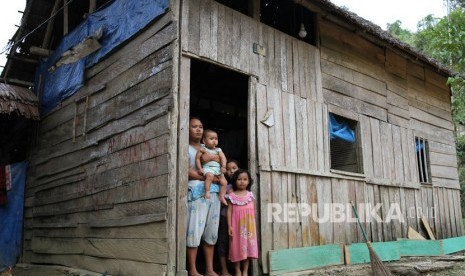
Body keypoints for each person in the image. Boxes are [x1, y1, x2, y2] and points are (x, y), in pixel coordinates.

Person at [187, 117, 221, 276]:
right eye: (194, 127)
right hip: (196, 193)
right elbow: (187, 171)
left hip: (213, 192)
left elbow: (219, 165)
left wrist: (216, 178)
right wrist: (207, 178)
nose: (198, 129)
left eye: (200, 126)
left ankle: (209, 269)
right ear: (187, 129)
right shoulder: (185, 148)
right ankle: (193, 270)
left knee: (211, 231)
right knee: (194, 230)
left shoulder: (208, 147)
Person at [227, 169, 258, 276]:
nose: (242, 181)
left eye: (245, 179)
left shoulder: (250, 195)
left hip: (249, 228)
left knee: (247, 249)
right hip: (236, 227)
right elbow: (229, 212)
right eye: (239, 179)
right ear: (235, 181)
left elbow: (253, 211)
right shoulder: (231, 196)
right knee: (236, 248)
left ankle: (245, 271)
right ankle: (237, 270)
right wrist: (229, 226)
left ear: (249, 181)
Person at [217, 160, 240, 276]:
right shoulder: (225, 186)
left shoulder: (244, 186)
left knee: (237, 244)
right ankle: (224, 270)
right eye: (229, 169)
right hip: (225, 218)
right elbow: (220, 201)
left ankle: (237, 270)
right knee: (223, 242)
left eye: (234, 168)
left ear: (239, 169)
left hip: (239, 221)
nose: (231, 171)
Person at [195, 129, 228, 205]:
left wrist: (223, 166)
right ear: (204, 141)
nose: (214, 141)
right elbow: (197, 159)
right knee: (209, 176)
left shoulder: (218, 150)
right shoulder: (203, 149)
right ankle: (207, 191)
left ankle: (221, 196)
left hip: (218, 170)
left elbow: (223, 158)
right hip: (208, 168)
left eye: (216, 139)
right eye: (211, 139)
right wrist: (200, 168)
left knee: (224, 182)